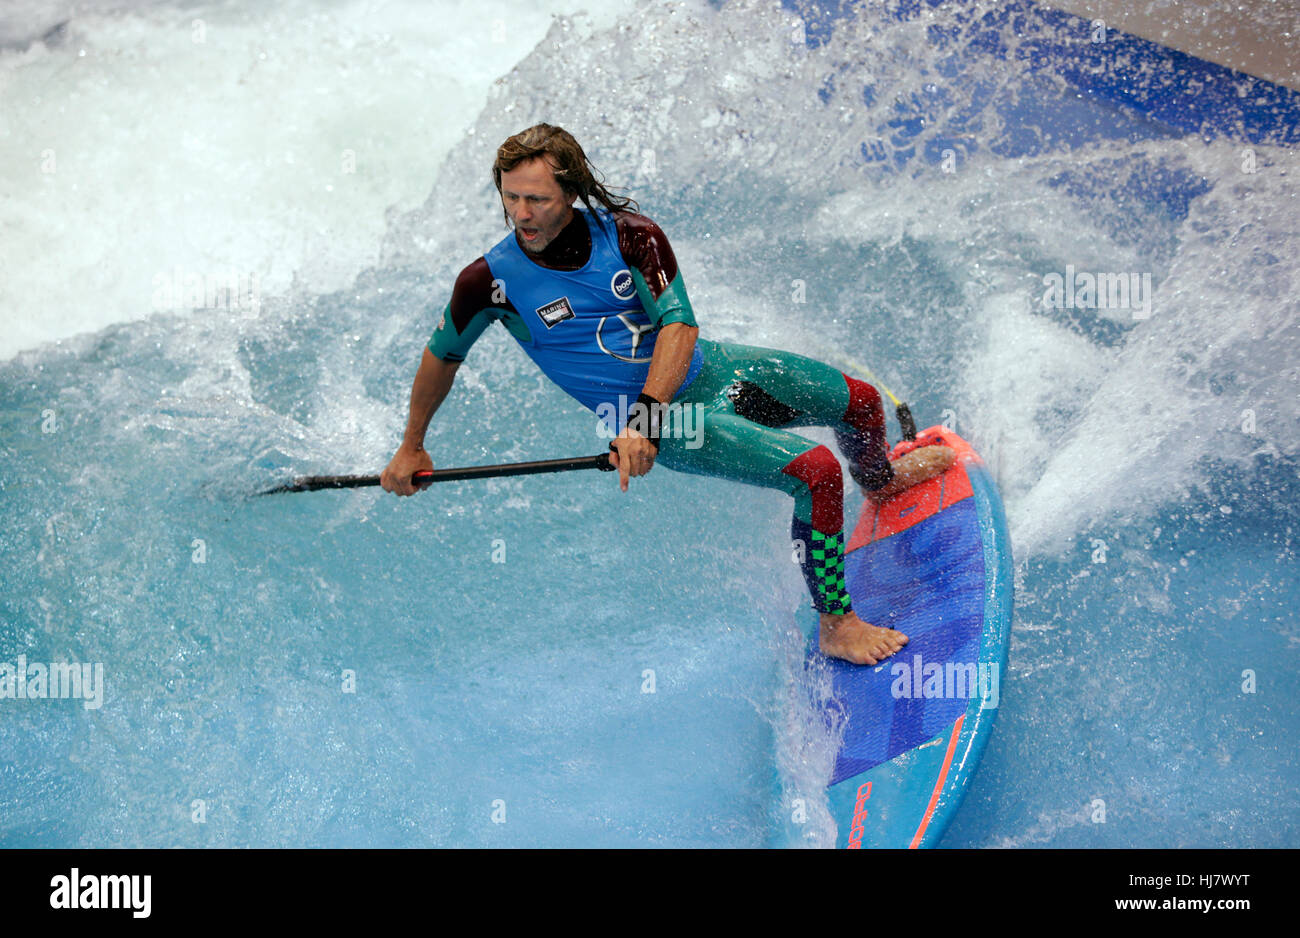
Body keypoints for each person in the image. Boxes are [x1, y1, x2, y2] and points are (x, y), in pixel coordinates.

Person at [381, 123, 954, 665]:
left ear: (574, 192)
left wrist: (643, 424)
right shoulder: (488, 283)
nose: (522, 215)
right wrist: (412, 445)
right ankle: (837, 625)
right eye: (511, 198)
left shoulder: (633, 237)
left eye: (538, 200)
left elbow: (678, 326)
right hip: (666, 422)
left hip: (707, 378)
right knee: (817, 471)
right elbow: (441, 358)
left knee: (857, 401)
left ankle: (881, 481)